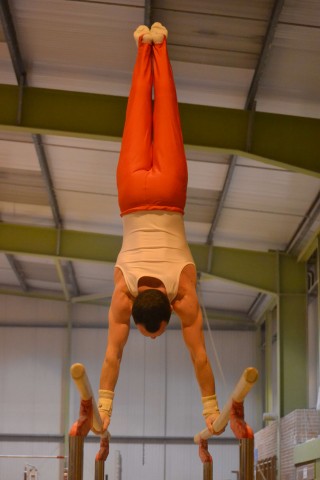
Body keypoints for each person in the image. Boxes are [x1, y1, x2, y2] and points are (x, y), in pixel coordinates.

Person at [98, 23, 223, 436]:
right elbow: (112, 357)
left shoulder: (183, 295)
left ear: (166, 312)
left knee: (166, 111)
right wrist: (104, 404)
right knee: (138, 111)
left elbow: (200, 359)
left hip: (171, 193)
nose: (151, 338)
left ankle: (161, 44)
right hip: (131, 194)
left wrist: (211, 408)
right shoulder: (122, 294)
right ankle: (142, 45)